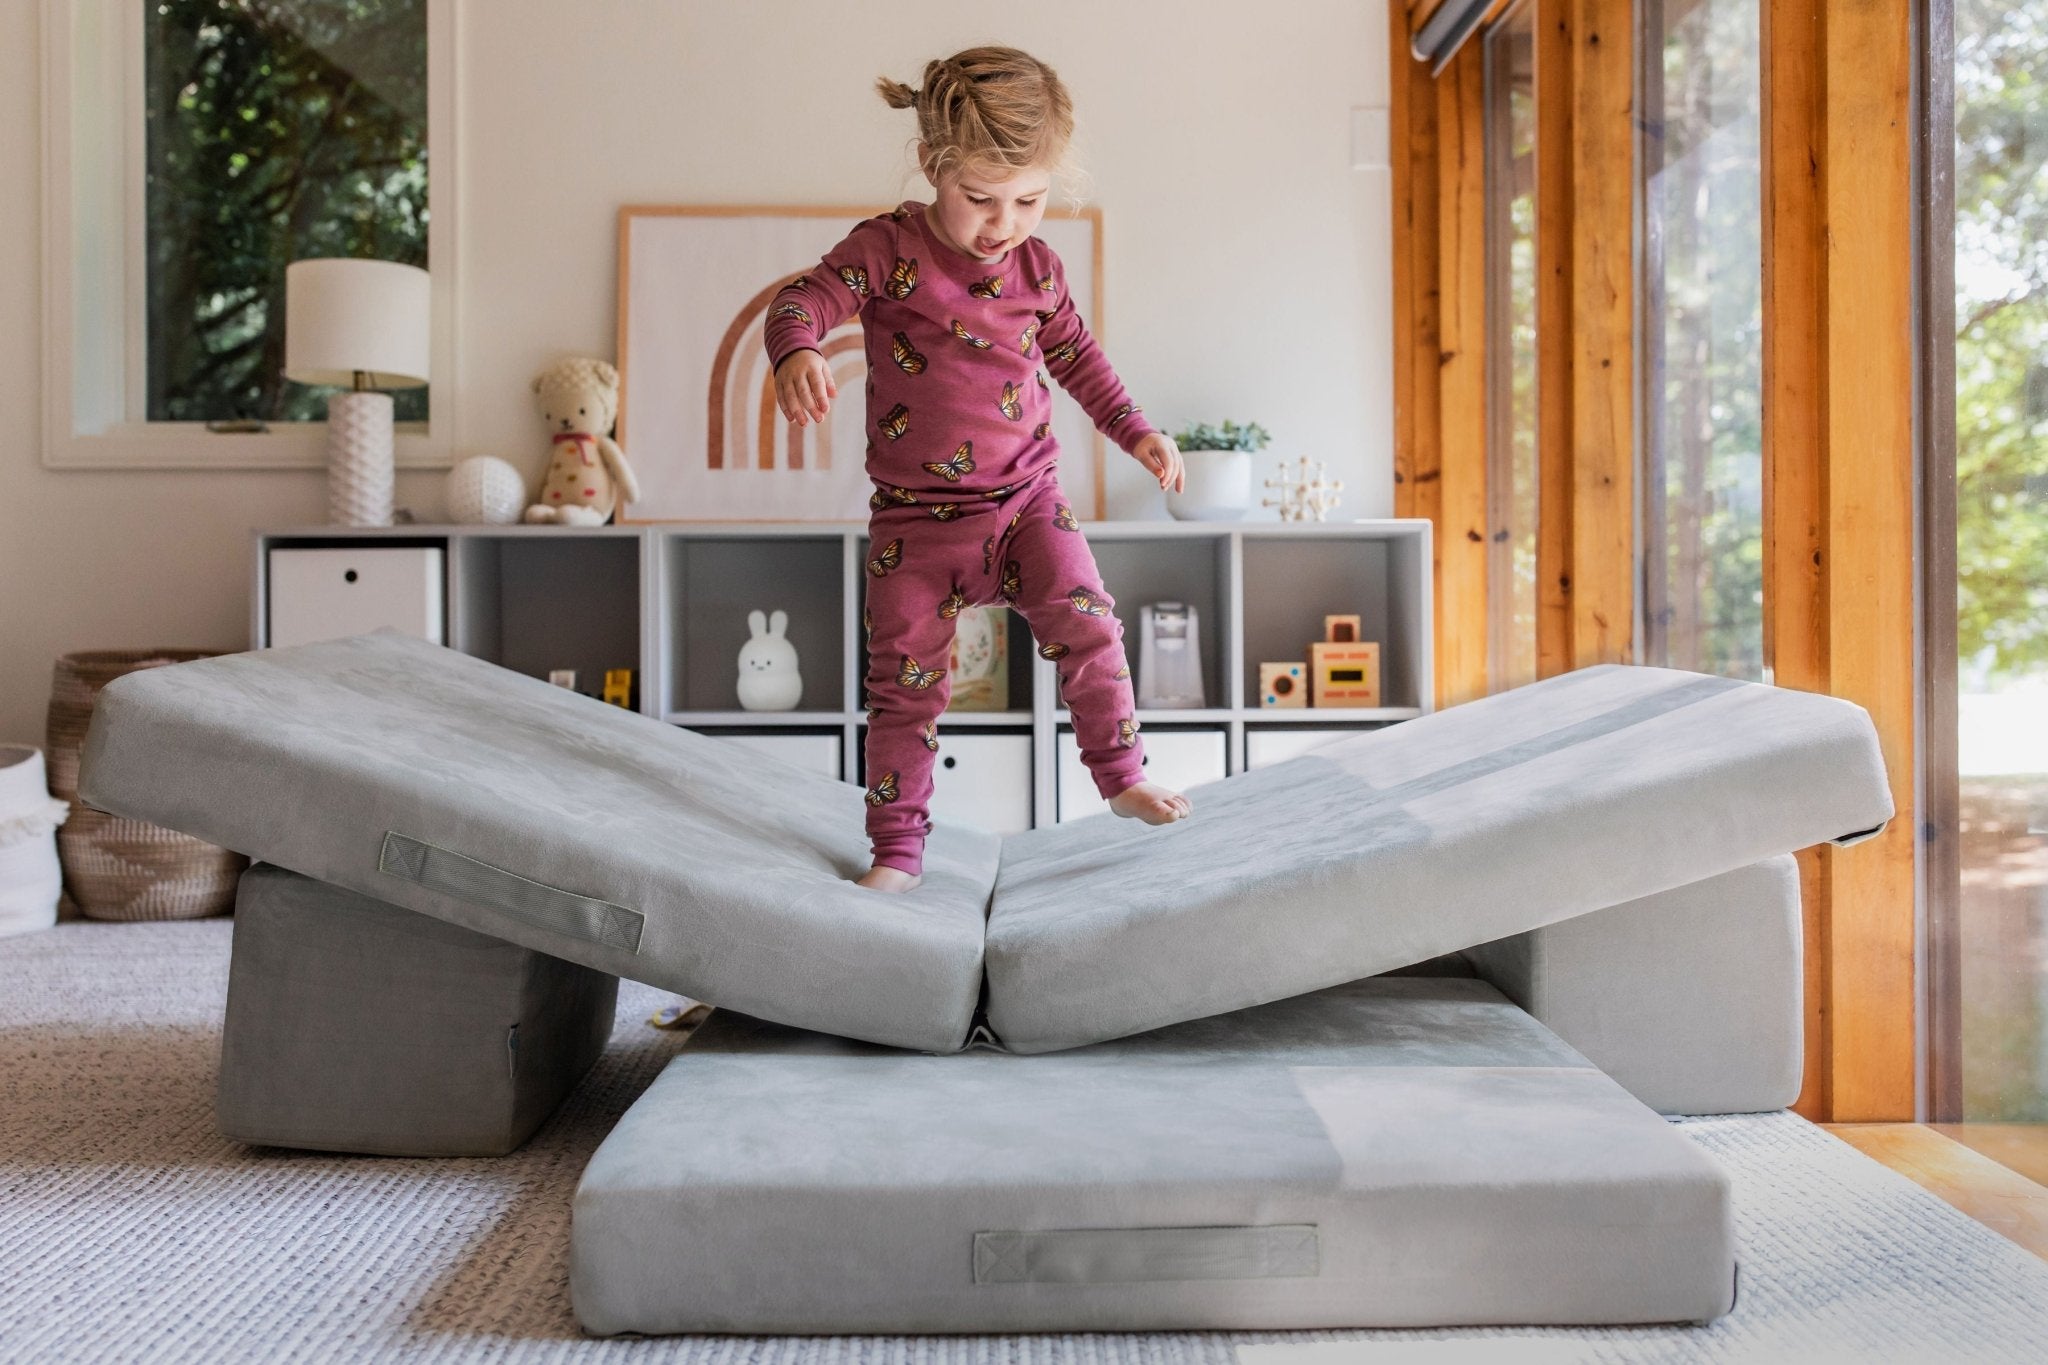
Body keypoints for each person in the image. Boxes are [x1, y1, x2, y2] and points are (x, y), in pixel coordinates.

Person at [765, 46, 1192, 894]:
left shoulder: (1038, 269)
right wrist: (796, 350)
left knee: (1090, 621)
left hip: (1026, 505)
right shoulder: (887, 250)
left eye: (1029, 200)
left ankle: (1121, 774)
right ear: (933, 167)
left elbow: (1077, 358)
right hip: (915, 526)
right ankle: (896, 853)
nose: (1004, 223)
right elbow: (801, 299)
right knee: (903, 692)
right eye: (980, 199)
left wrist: (1135, 431)